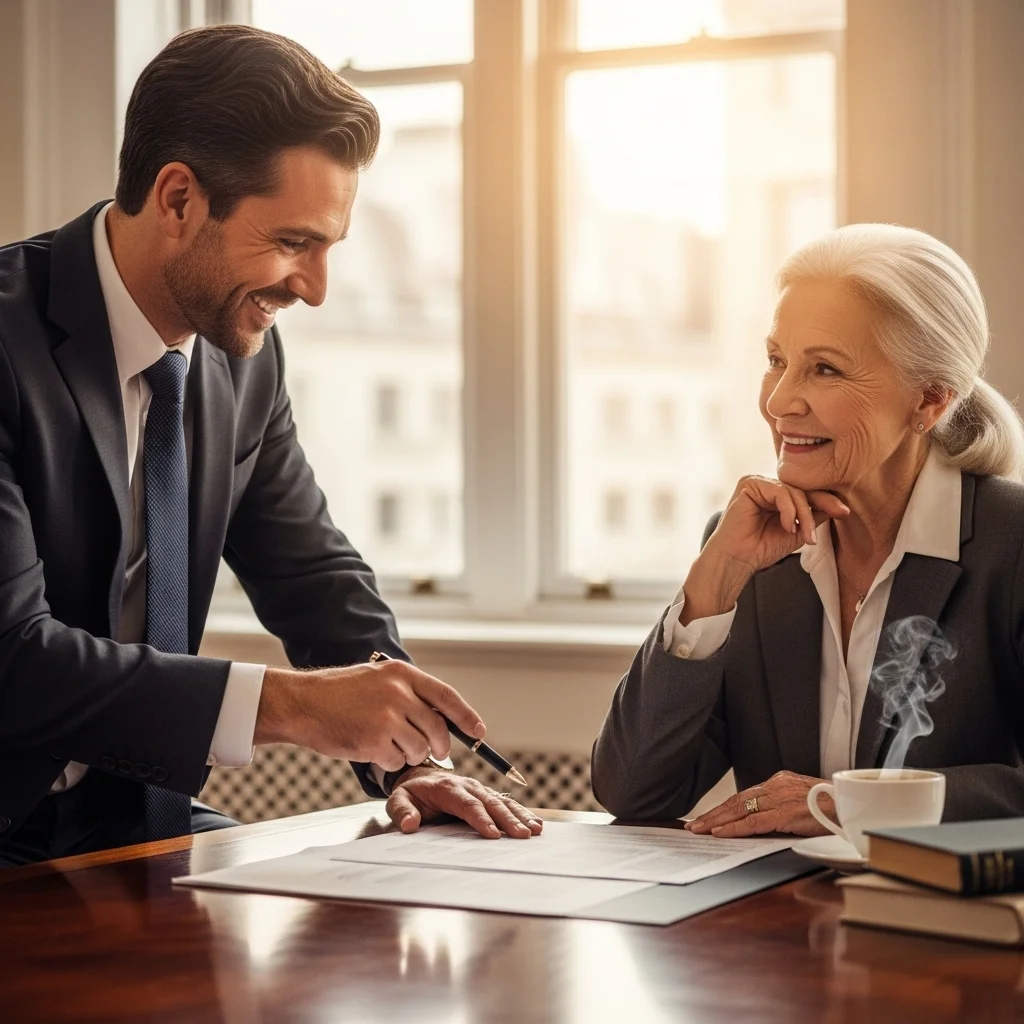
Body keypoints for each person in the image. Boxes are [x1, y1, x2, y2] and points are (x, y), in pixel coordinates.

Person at [0, 25, 542, 868]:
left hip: (137, 818)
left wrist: (406, 752)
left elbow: (311, 572)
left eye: (328, 248)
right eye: (294, 243)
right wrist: (293, 706)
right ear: (178, 199)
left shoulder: (240, 360)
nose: (316, 290)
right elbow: (13, 660)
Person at [592, 222, 1024, 836]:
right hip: (780, 921)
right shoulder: (749, 548)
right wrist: (710, 587)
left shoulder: (1012, 542)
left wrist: (854, 804)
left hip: (946, 924)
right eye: (776, 361)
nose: (779, 401)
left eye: (824, 369)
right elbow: (633, 790)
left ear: (929, 400)